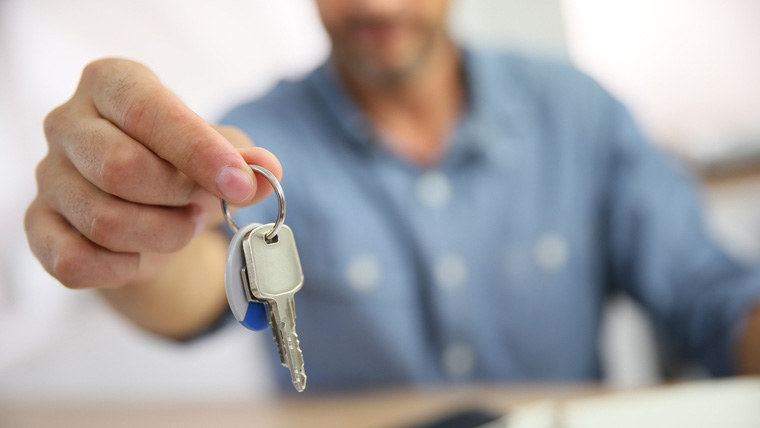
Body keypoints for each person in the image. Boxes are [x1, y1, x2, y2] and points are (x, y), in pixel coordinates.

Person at [25, 0, 760, 392]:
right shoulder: (253, 139)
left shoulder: (581, 112)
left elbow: (706, 291)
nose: (377, 4)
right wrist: (132, 243)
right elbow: (198, 281)